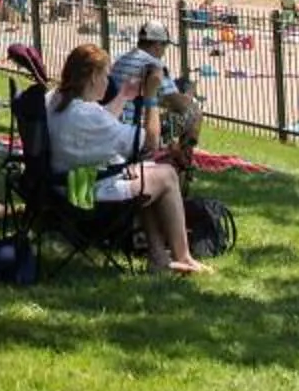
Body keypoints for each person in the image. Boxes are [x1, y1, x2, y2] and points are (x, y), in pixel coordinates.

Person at [44, 42, 209, 275]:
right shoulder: (87, 115)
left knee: (143, 173)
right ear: (93, 77)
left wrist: (123, 95)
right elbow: (150, 142)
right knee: (167, 175)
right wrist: (150, 98)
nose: (108, 81)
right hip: (84, 193)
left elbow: (102, 121)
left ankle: (158, 256)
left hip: (61, 185)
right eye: (105, 75)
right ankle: (184, 257)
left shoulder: (54, 99)